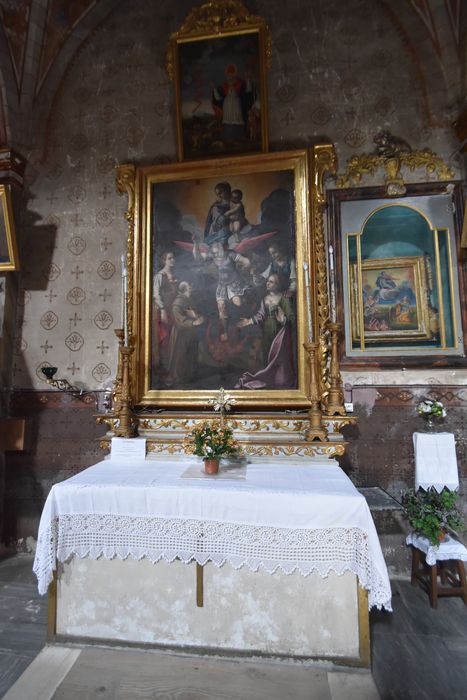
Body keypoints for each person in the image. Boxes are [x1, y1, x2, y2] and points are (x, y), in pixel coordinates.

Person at [235, 272, 295, 389]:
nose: (267, 283)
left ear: (277, 284)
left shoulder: (284, 298)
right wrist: (249, 321)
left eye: (271, 281)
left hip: (280, 332)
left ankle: (279, 379)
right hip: (267, 330)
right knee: (267, 353)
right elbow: (260, 315)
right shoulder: (265, 299)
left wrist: (283, 319)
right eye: (267, 281)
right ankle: (269, 378)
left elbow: (291, 317)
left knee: (278, 355)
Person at [168, 281, 205, 386]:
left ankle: (189, 376)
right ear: (185, 289)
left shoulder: (190, 300)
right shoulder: (178, 302)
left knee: (192, 354)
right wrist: (193, 322)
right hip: (181, 333)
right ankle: (179, 378)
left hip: (192, 333)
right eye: (190, 286)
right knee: (181, 355)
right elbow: (178, 319)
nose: (192, 287)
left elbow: (196, 313)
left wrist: (197, 317)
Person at [212, 63, 253, 142]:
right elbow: (218, 98)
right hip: (227, 106)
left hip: (236, 105)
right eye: (228, 74)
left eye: (231, 74)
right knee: (228, 122)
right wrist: (214, 89)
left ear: (234, 74)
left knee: (237, 119)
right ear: (226, 75)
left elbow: (248, 91)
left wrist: (248, 80)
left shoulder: (240, 83)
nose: (230, 76)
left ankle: (239, 137)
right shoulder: (224, 85)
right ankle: (228, 138)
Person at [153, 251, 178, 378]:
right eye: (169, 258)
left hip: (174, 311)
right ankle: (163, 368)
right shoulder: (159, 276)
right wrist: (162, 310)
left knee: (174, 338)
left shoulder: (175, 275)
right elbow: (156, 294)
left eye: (173, 258)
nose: (172, 260)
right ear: (164, 261)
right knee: (164, 339)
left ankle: (172, 368)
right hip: (163, 311)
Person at [204, 182, 231, 246]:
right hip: (216, 233)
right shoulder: (215, 206)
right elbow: (208, 222)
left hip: (228, 232)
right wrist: (206, 236)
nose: (219, 196)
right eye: (217, 194)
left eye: (220, 193)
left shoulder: (233, 204)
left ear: (227, 190)